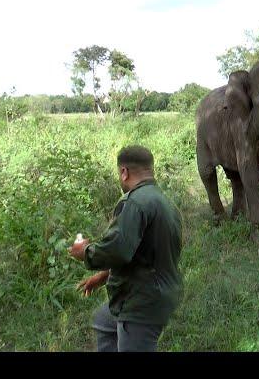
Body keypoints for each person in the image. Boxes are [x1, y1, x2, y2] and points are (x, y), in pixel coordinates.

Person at [68, 145, 183, 352]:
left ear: (124, 172)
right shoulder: (165, 202)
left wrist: (85, 252)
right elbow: (142, 251)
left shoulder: (134, 202)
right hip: (161, 293)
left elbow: (118, 249)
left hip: (141, 302)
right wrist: (103, 276)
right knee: (103, 321)